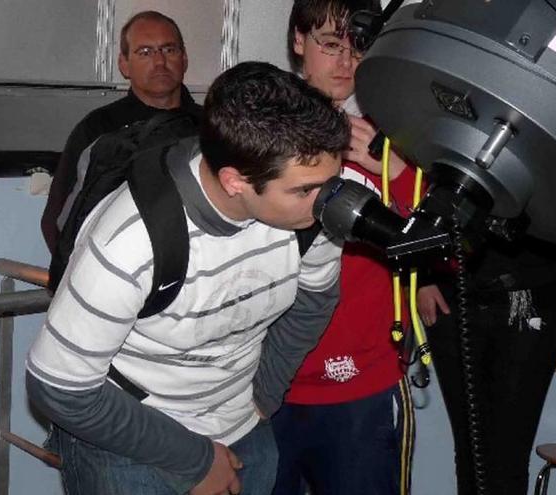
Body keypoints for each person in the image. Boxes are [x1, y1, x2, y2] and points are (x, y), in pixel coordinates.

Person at [26, 62, 351, 495]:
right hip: (130, 441)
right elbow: (59, 388)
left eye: (331, 182)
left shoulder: (315, 208)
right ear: (235, 181)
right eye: (305, 190)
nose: (327, 200)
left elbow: (314, 300)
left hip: (242, 424)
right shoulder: (133, 237)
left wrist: (263, 397)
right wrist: (195, 459)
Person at [270, 1, 417, 494]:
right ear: (298, 42)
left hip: (359, 380)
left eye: (357, 48)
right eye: (330, 45)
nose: (345, 62)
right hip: (261, 381)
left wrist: (393, 171)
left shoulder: (396, 131)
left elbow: (444, 248)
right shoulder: (261, 127)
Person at [40, 10, 202, 253]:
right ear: (124, 65)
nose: (160, 62)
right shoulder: (99, 129)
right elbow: (56, 222)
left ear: (185, 60)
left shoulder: (213, 126)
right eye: (145, 52)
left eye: (169, 50)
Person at [417, 235, 556, 495]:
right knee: (469, 447)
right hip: (452, 292)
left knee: (510, 450)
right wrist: (421, 278)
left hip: (530, 293)